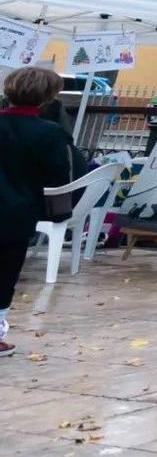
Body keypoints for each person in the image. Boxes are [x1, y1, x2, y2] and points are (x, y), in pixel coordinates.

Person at [0, 69, 76, 357]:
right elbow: (57, 177)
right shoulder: (50, 134)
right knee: (4, 273)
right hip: (16, 214)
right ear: (48, 97)